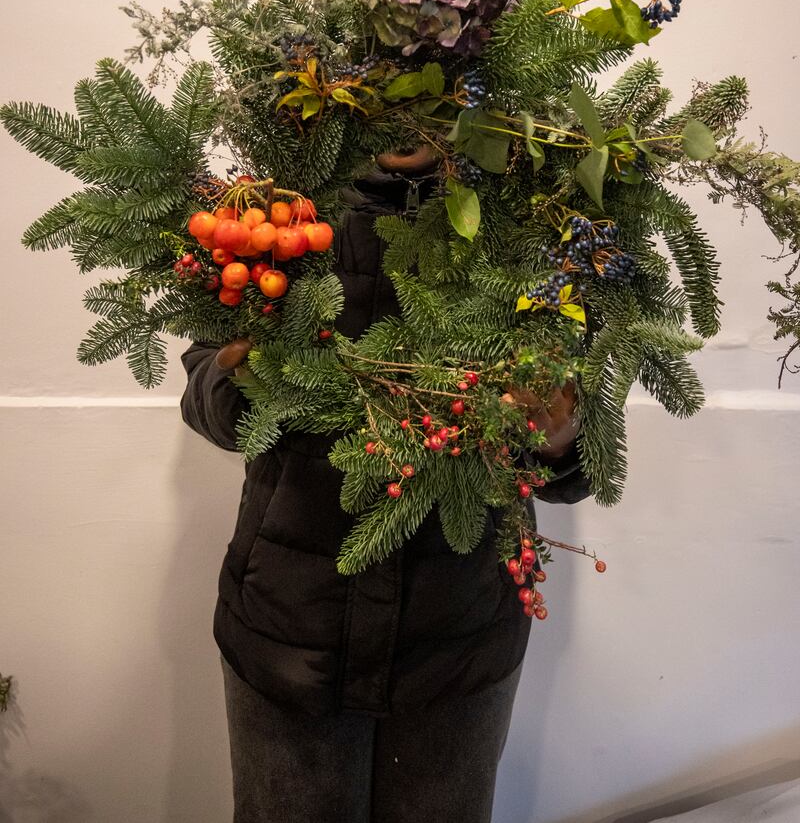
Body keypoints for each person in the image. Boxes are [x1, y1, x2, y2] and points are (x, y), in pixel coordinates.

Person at [180, 143, 592, 823]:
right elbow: (204, 392)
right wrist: (241, 374)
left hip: (457, 644)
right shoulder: (279, 199)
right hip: (289, 629)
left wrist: (557, 432)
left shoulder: (533, 216)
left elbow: (579, 455)